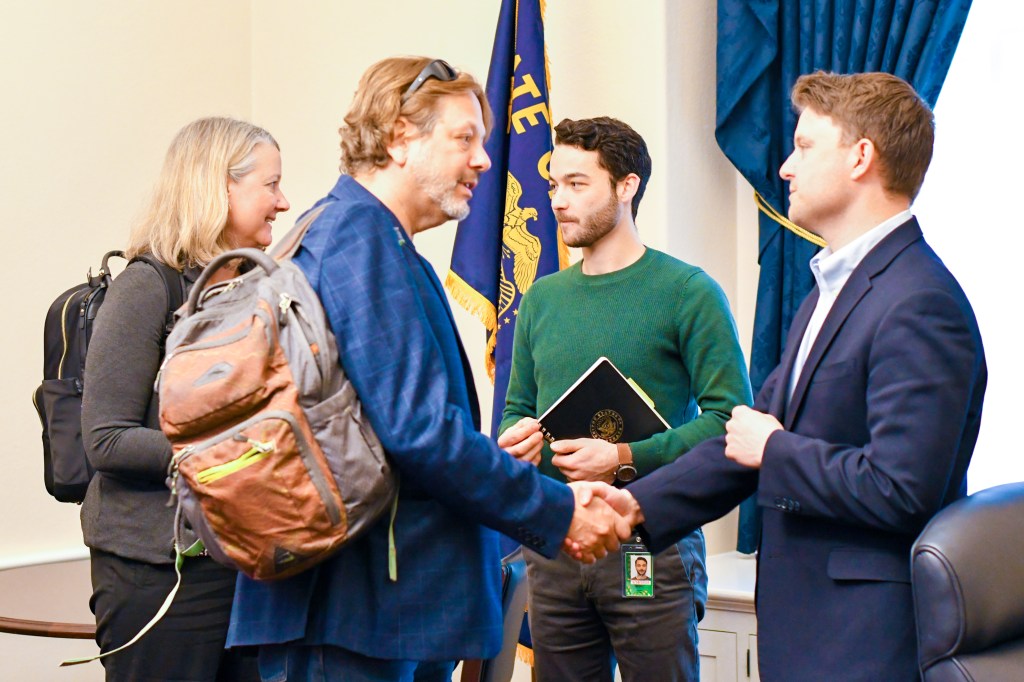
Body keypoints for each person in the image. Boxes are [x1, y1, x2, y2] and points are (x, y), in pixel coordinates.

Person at [225, 57, 630, 682]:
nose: (484, 162)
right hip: (358, 616)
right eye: (464, 138)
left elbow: (391, 427)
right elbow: (419, 434)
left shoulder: (361, 234)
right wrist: (559, 510)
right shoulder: (359, 240)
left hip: (375, 610)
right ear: (398, 139)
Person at [578, 72, 988, 681]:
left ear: (860, 157)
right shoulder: (832, 286)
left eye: (804, 146)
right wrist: (634, 503)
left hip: (863, 640)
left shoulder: (920, 301)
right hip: (807, 629)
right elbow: (741, 442)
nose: (786, 168)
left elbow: (902, 488)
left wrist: (775, 449)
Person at [497, 117, 753, 682]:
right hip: (556, 543)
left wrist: (621, 457)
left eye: (577, 184)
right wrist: (516, 438)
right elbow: (518, 407)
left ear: (626, 186)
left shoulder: (688, 292)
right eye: (554, 185)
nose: (559, 201)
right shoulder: (541, 299)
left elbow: (728, 424)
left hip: (652, 547)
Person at [81, 116, 291, 681]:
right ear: (220, 187)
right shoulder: (146, 288)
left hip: (246, 572)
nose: (284, 201)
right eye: (271, 185)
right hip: (158, 576)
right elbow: (107, 439)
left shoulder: (262, 288)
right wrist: (228, 453)